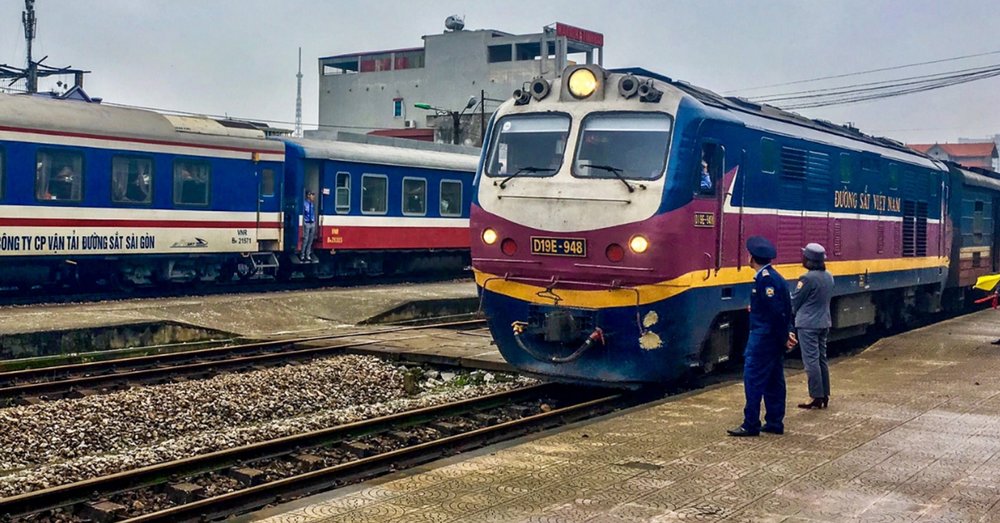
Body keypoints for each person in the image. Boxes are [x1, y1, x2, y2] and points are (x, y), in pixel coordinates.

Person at [728, 236, 792, 437]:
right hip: (771, 339)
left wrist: (784, 336)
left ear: (752, 258)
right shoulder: (774, 277)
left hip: (763, 339)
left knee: (753, 379)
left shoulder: (766, 280)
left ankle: (750, 424)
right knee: (774, 380)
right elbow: (780, 309)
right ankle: (774, 421)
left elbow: (777, 312)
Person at [789, 243, 835, 409]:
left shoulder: (807, 278)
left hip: (808, 324)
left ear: (808, 260)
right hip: (824, 322)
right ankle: (825, 394)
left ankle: (815, 396)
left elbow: (795, 301)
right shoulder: (828, 276)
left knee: (811, 361)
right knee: (822, 359)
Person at [300, 190, 317, 262]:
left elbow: (313, 212)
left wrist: (314, 221)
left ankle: (308, 254)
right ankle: (302, 254)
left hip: (312, 223)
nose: (313, 196)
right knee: (306, 239)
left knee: (310, 240)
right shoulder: (304, 204)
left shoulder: (312, 204)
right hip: (307, 223)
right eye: (311, 194)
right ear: (308, 195)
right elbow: (304, 213)